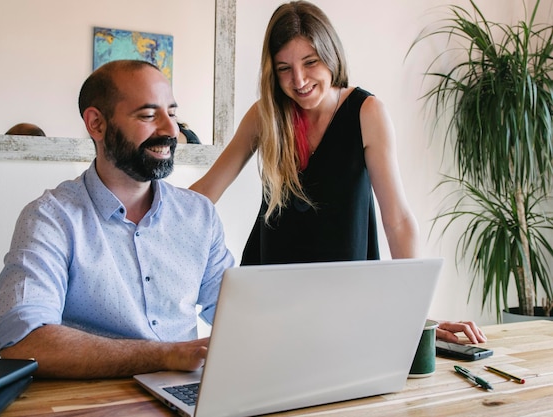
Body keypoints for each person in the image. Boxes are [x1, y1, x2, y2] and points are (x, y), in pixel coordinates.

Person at [190, 1, 485, 345]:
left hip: (347, 298)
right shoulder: (265, 115)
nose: (298, 80)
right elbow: (204, 193)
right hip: (268, 295)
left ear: (331, 55)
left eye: (310, 62)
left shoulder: (366, 112)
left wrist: (419, 315)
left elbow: (398, 219)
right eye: (284, 68)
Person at [0, 60, 235, 379]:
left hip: (188, 398)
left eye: (172, 113)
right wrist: (166, 354)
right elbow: (23, 340)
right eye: (148, 115)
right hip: (95, 402)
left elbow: (239, 319)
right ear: (97, 124)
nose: (171, 130)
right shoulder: (50, 218)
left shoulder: (200, 215)